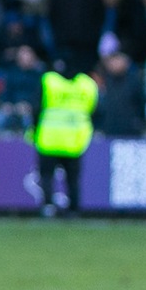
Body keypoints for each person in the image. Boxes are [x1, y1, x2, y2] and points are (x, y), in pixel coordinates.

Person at [32, 56, 95, 216]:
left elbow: (36, 107)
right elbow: (95, 110)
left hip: (49, 138)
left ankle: (48, 207)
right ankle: (74, 209)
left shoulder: (49, 81)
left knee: (46, 175)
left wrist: (34, 129)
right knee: (73, 178)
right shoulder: (86, 84)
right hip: (75, 140)